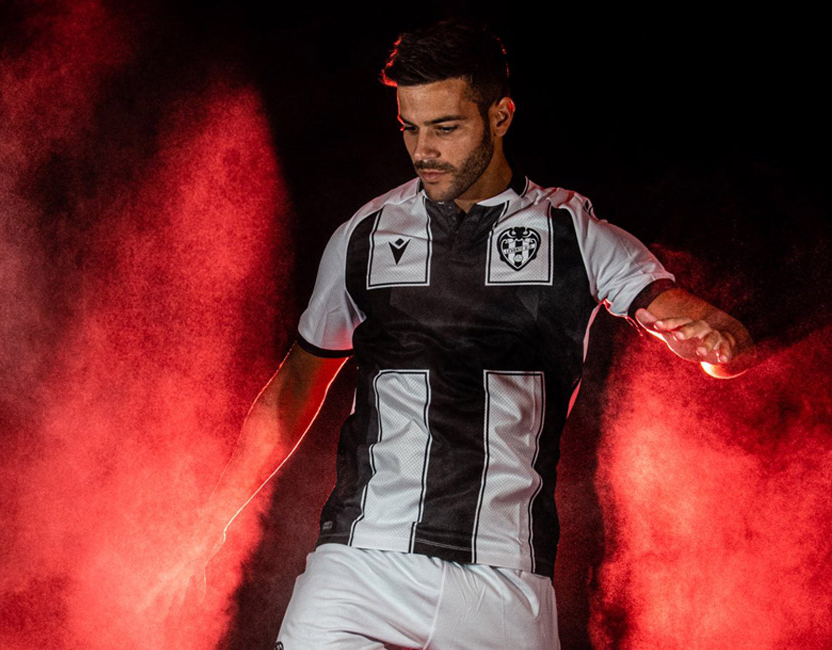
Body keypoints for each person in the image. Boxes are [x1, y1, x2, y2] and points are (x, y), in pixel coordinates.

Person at [192, 20, 755, 650]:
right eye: (409, 128)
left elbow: (700, 325)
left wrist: (713, 339)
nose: (423, 150)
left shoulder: (574, 231)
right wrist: (211, 522)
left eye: (446, 127)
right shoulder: (364, 235)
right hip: (358, 566)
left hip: (503, 585)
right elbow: (295, 387)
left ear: (501, 116)